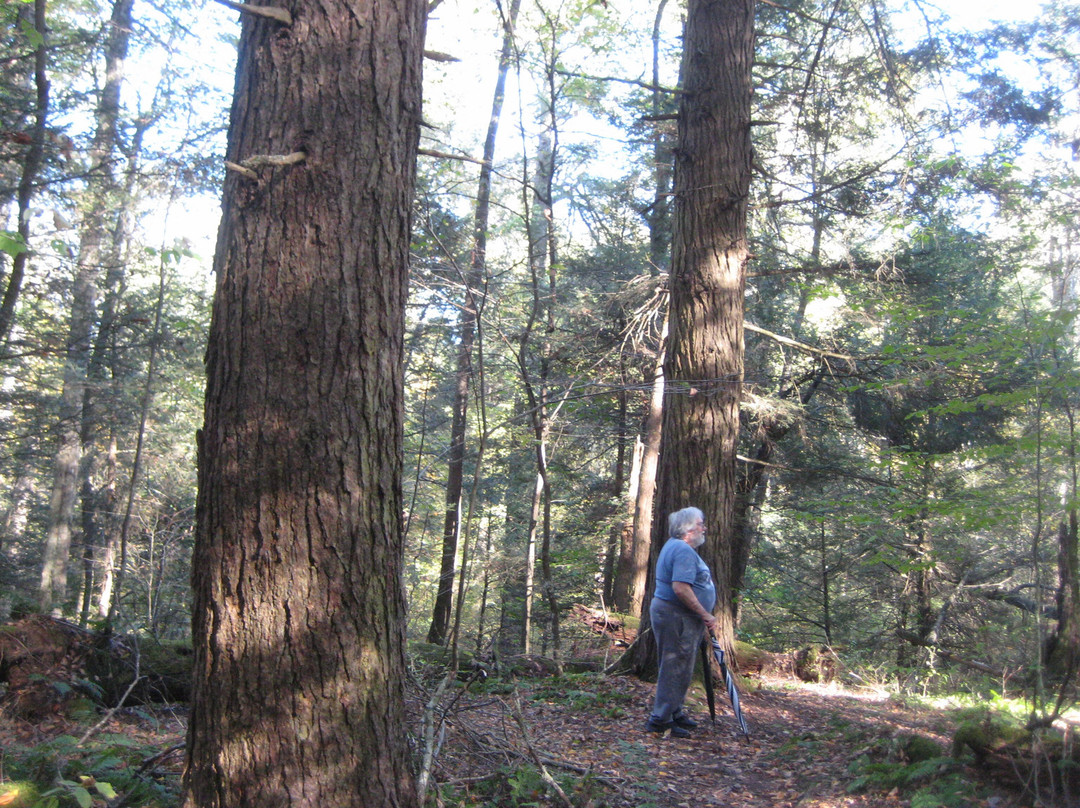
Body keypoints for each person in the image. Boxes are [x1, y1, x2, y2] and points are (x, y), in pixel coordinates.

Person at [646, 506, 717, 738]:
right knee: (675, 667)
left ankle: (674, 712)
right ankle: (660, 720)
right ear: (687, 529)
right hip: (677, 616)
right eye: (700, 524)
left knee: (680, 667)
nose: (704, 528)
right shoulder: (682, 550)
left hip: (677, 616)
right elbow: (680, 588)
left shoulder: (675, 546)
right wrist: (705, 614)